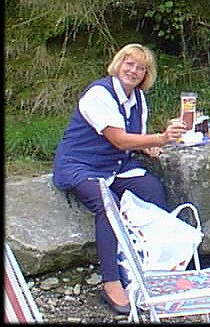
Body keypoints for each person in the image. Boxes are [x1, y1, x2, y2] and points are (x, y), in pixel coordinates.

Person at [52, 43, 187, 315]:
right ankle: (111, 282)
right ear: (118, 63)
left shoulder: (138, 98)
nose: (134, 71)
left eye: (141, 68)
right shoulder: (98, 94)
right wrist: (159, 138)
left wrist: (146, 145)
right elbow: (118, 138)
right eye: (130, 63)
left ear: (146, 75)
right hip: (81, 164)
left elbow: (132, 136)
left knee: (152, 189)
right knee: (107, 205)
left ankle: (151, 266)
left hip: (115, 166)